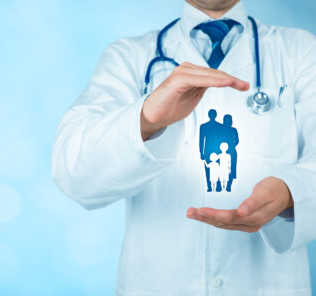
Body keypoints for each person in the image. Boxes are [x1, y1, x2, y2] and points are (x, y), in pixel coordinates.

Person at [52, 0, 316, 295]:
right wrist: (145, 118)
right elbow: (75, 175)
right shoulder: (128, 57)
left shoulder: (302, 51)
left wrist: (291, 193)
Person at [199, 109, 223, 191]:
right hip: (215, 149)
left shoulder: (204, 126)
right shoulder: (219, 126)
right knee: (214, 168)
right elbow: (201, 140)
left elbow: (201, 141)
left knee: (210, 168)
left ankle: (211, 186)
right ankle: (214, 185)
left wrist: (201, 153)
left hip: (210, 149)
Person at [221, 114, 238, 191]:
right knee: (222, 168)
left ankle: (228, 186)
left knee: (231, 168)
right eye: (228, 121)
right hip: (224, 151)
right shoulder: (221, 130)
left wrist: (230, 146)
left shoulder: (233, 130)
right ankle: (223, 186)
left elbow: (237, 140)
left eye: (230, 121)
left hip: (231, 151)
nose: (229, 122)